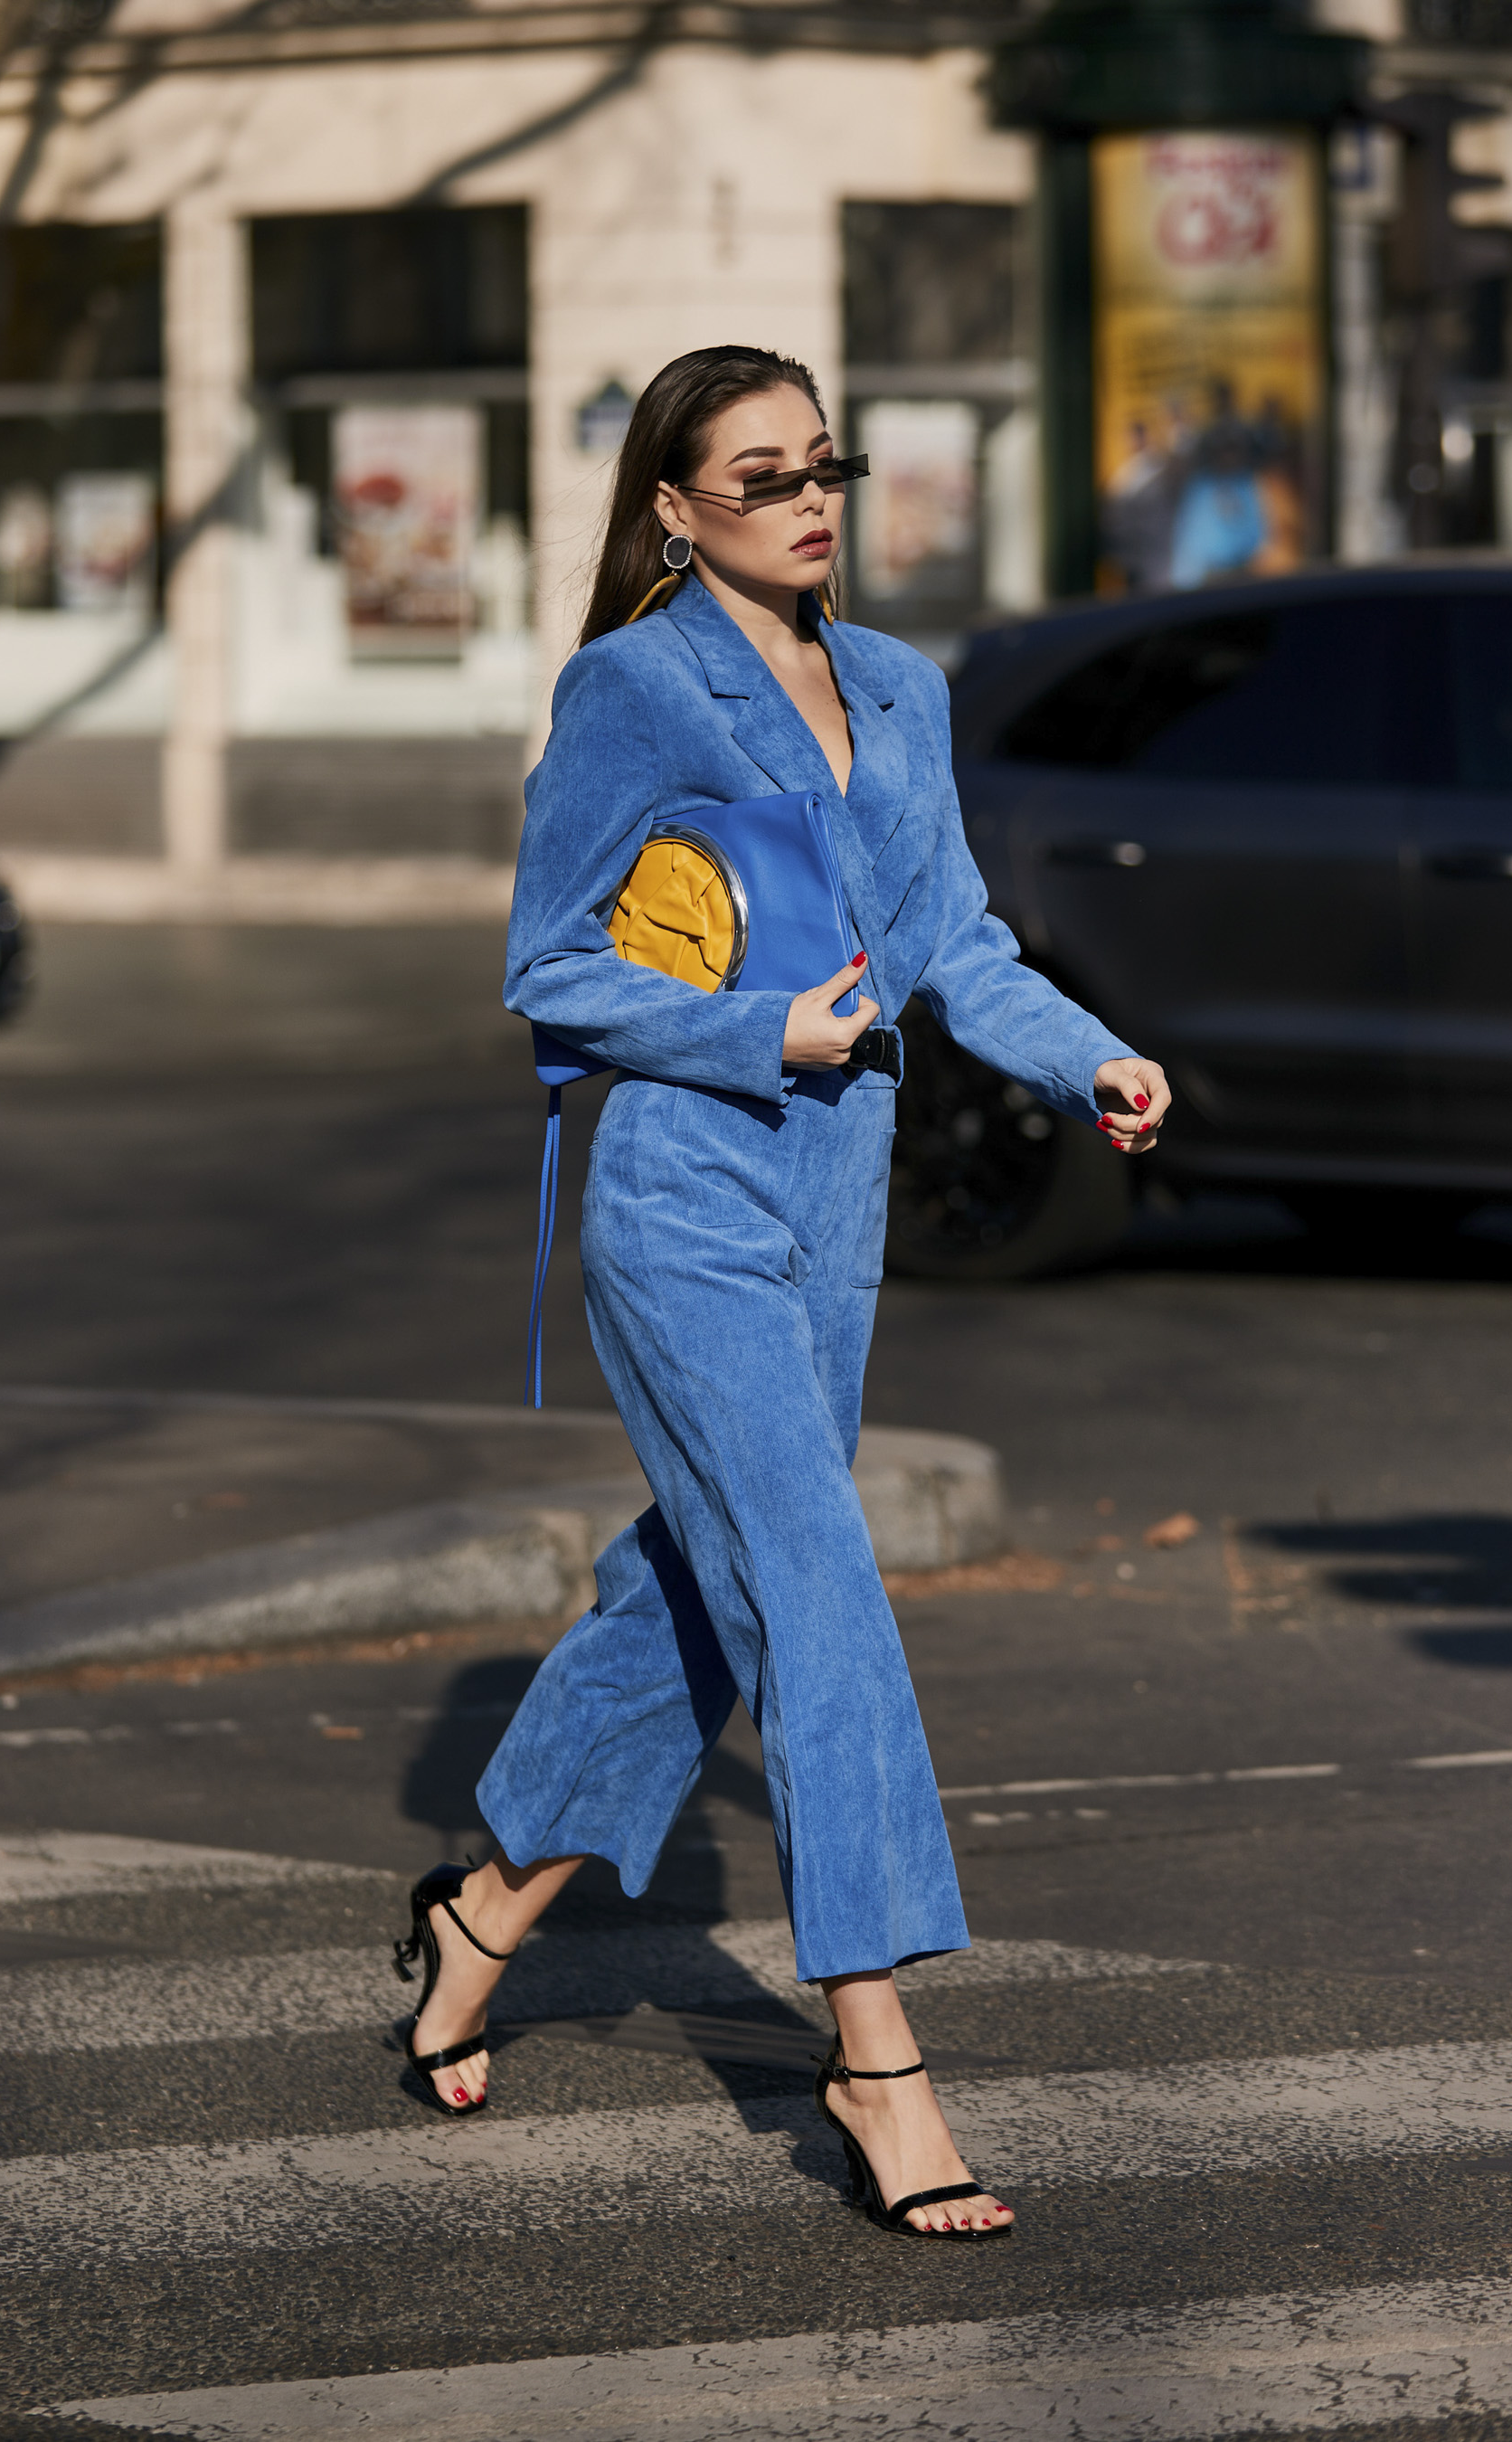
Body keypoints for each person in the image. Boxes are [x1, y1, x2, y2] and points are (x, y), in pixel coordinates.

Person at [392, 344, 1169, 2240]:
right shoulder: (633, 686)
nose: (811, 501)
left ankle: (485, 1906)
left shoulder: (902, 684)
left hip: (843, 1198)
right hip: (682, 1184)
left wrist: (1089, 1058)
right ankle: (880, 2053)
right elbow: (548, 966)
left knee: (709, 1589)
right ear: (672, 510)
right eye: (760, 478)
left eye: (826, 464)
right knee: (813, 1575)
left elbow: (956, 941)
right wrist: (757, 1025)